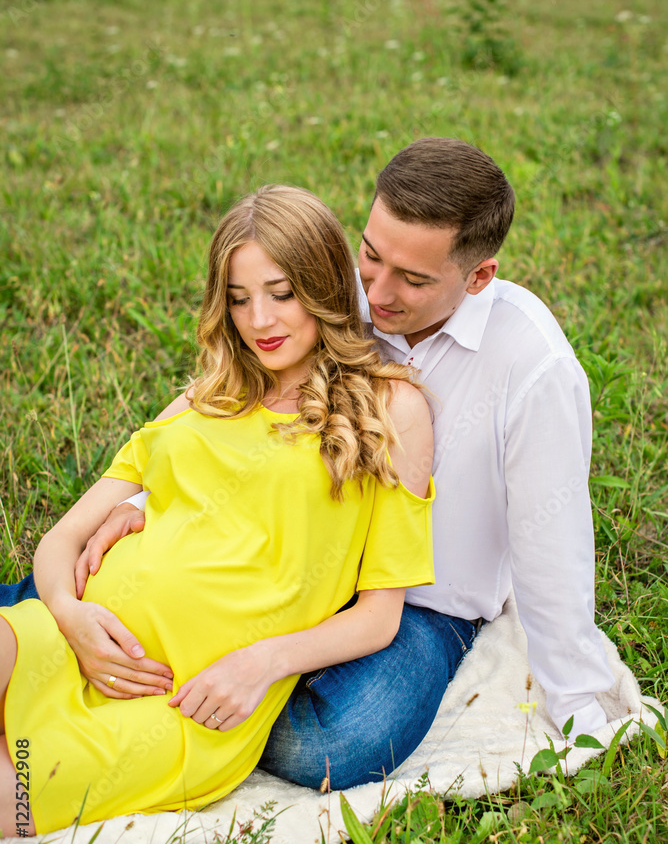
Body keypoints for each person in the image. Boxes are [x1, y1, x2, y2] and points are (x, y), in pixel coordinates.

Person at [3, 136, 618, 794]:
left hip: (421, 602)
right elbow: (225, 441)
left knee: (325, 743)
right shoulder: (320, 296)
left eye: (411, 279)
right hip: (250, 555)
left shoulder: (532, 368)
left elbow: (550, 540)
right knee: (80, 596)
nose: (375, 292)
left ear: (478, 277)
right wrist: (141, 508)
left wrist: (580, 704)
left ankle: (204, 689)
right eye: (370, 256)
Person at [0, 184, 436, 835]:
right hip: (68, 641)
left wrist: (262, 663)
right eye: (239, 298)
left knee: (18, 797)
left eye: (282, 292)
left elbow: (379, 616)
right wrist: (70, 614)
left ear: (324, 285)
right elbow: (63, 537)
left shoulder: (388, 409)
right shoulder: (208, 394)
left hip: (181, 699)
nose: (260, 319)